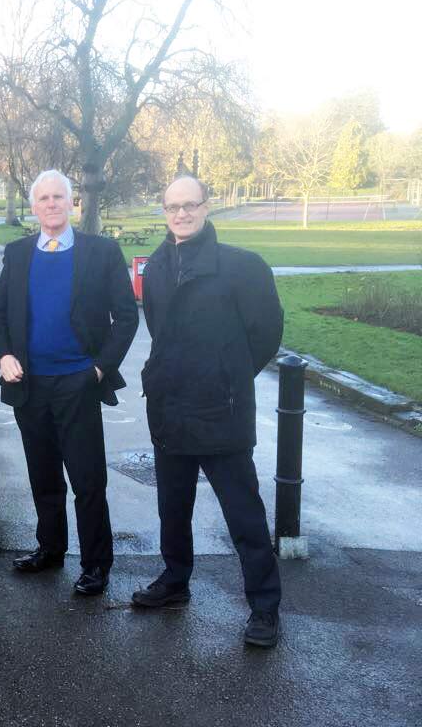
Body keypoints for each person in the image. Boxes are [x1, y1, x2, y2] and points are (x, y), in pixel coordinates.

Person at [133, 174, 284, 648]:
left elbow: (265, 334)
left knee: (244, 516)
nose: (182, 214)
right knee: (172, 509)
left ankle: (264, 607)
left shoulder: (243, 267)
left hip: (222, 410)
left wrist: (228, 375)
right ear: (164, 211)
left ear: (207, 206)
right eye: (173, 206)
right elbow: (158, 327)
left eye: (190, 205)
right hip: (171, 408)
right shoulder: (156, 266)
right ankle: (175, 582)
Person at [0, 170, 138, 595]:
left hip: (79, 383)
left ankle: (95, 565)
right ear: (34, 207)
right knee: (44, 476)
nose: (51, 204)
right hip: (30, 386)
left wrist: (98, 369)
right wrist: (4, 355)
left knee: (88, 480)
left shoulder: (101, 252)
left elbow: (126, 318)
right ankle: (49, 550)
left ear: (71, 203)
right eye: (43, 198)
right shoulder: (17, 254)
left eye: (58, 197)